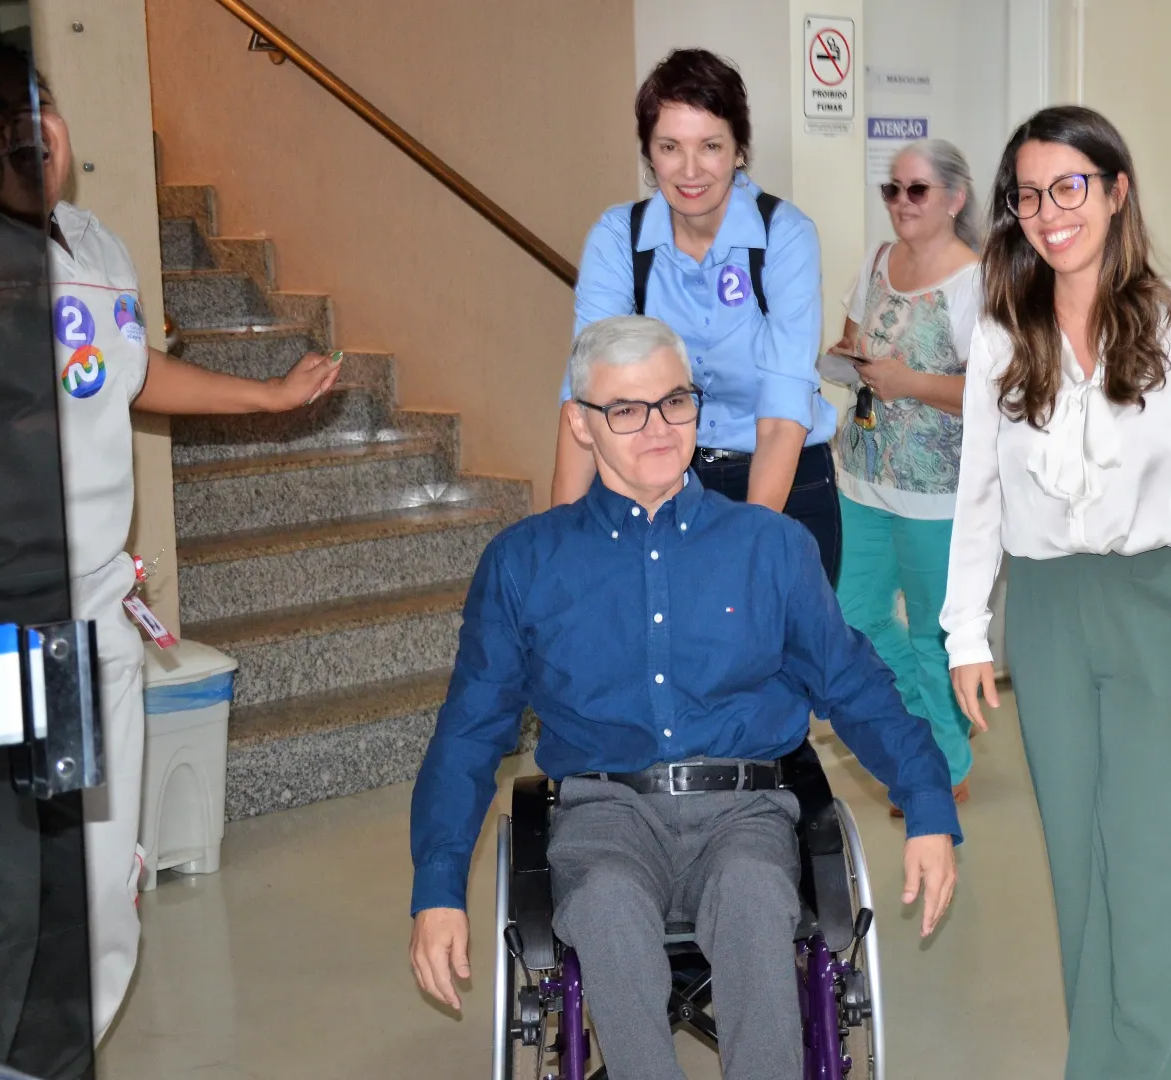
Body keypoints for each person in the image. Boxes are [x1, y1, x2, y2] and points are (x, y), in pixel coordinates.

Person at [0, 7, 341, 1065]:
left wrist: (266, 397)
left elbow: (133, 372)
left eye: (35, 104)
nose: (25, 127)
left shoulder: (94, 244)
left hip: (93, 621)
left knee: (101, 895)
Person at [409, 316, 959, 1080]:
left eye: (674, 402)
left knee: (753, 894)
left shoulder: (769, 547)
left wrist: (926, 803)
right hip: (603, 814)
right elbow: (470, 733)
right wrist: (437, 889)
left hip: (744, 810)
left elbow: (854, 684)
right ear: (580, 423)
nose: (658, 428)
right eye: (625, 410)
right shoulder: (525, 563)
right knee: (604, 903)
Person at [939, 106, 1171, 1079]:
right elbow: (979, 494)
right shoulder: (1003, 337)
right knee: (1078, 871)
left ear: (1117, 192)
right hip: (1045, 616)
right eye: (1029, 195)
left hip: (1157, 609)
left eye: (1069, 187)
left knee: (1153, 870)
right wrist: (965, 632)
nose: (1049, 213)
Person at [554, 49, 842, 583]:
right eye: (670, 147)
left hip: (781, 479)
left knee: (767, 632)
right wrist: (561, 549)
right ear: (649, 154)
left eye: (710, 146)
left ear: (739, 151)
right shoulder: (618, 239)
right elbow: (586, 396)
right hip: (659, 482)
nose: (690, 171)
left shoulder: (784, 236)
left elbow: (783, 411)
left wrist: (745, 546)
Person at [823, 139, 982, 813]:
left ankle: (945, 762)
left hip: (936, 493)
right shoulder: (877, 261)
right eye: (893, 189)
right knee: (853, 617)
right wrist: (850, 360)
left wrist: (909, 382)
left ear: (955, 198)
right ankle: (924, 728)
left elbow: (990, 394)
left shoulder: (975, 282)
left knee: (932, 633)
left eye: (917, 189)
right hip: (859, 475)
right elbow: (854, 342)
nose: (901, 202)